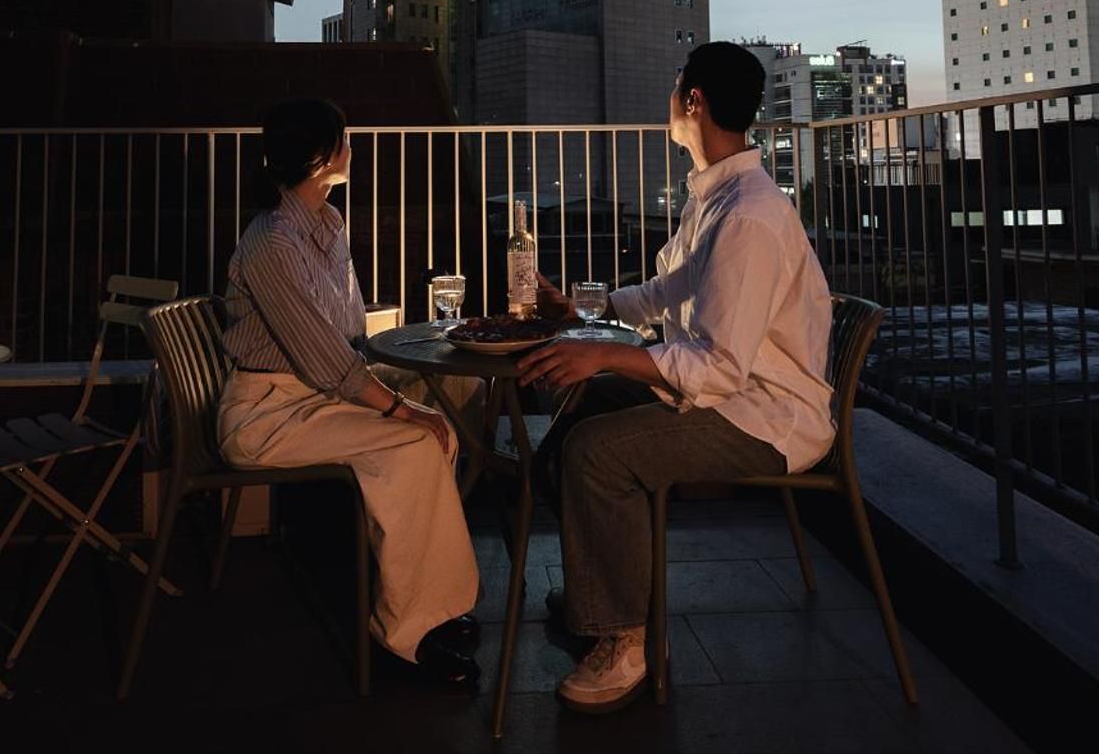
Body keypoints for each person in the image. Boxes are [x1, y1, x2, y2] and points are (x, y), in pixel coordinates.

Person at [517, 42, 836, 714]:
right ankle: (602, 588)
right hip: (733, 396)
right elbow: (670, 290)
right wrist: (589, 313)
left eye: (675, 87)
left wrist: (602, 351)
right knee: (585, 408)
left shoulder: (747, 215)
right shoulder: (718, 197)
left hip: (765, 417)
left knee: (596, 451)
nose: (669, 99)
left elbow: (717, 368)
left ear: (694, 102)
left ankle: (627, 641)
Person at [218, 98, 481, 690]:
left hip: (308, 399)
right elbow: (323, 355)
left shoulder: (325, 225)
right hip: (267, 416)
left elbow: (349, 331)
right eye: (344, 139)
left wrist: (399, 389)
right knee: (413, 441)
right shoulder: (272, 243)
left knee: (434, 424)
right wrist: (399, 403)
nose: (353, 148)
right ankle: (404, 636)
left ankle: (432, 606)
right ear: (319, 159)